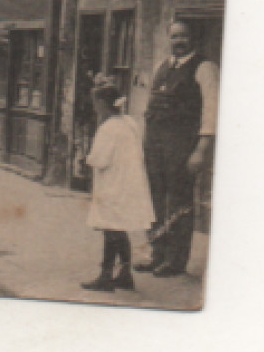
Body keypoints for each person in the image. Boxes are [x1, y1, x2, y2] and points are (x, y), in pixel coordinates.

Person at [135, 20, 220, 277]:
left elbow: (211, 111)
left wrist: (201, 149)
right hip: (156, 145)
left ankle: (175, 261)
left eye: (183, 36)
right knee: (155, 200)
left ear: (193, 38)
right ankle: (157, 254)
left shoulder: (204, 68)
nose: (178, 41)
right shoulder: (162, 67)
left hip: (182, 145)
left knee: (179, 202)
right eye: (174, 37)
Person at [81, 79, 155, 292]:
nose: (95, 109)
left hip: (113, 186)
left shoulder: (108, 128)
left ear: (103, 104)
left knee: (111, 231)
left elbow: (99, 160)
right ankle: (124, 274)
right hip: (129, 185)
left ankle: (105, 276)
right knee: (119, 230)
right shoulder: (129, 122)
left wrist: (88, 158)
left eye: (96, 104)